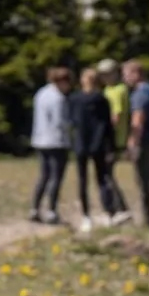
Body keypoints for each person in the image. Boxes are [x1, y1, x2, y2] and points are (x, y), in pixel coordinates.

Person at [70, 68, 122, 233]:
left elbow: (72, 121)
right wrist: (112, 146)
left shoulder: (74, 99)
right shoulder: (102, 99)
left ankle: (86, 216)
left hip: (81, 143)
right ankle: (108, 212)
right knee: (102, 179)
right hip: (98, 144)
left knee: (82, 180)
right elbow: (108, 126)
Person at [29, 67, 73, 225]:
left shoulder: (41, 93)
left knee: (44, 175)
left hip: (40, 140)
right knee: (56, 177)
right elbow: (60, 122)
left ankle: (34, 208)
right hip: (56, 141)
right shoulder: (58, 98)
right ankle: (51, 210)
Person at [124, 60, 149, 229]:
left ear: (135, 74)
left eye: (126, 74)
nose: (125, 78)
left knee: (143, 183)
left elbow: (137, 121)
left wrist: (132, 143)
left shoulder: (139, 94)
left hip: (144, 142)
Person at [96, 59, 132, 225]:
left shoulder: (118, 91)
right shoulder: (108, 89)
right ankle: (118, 208)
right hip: (110, 139)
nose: (105, 77)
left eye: (107, 74)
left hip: (114, 140)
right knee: (107, 175)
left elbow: (116, 116)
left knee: (106, 176)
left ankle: (119, 209)